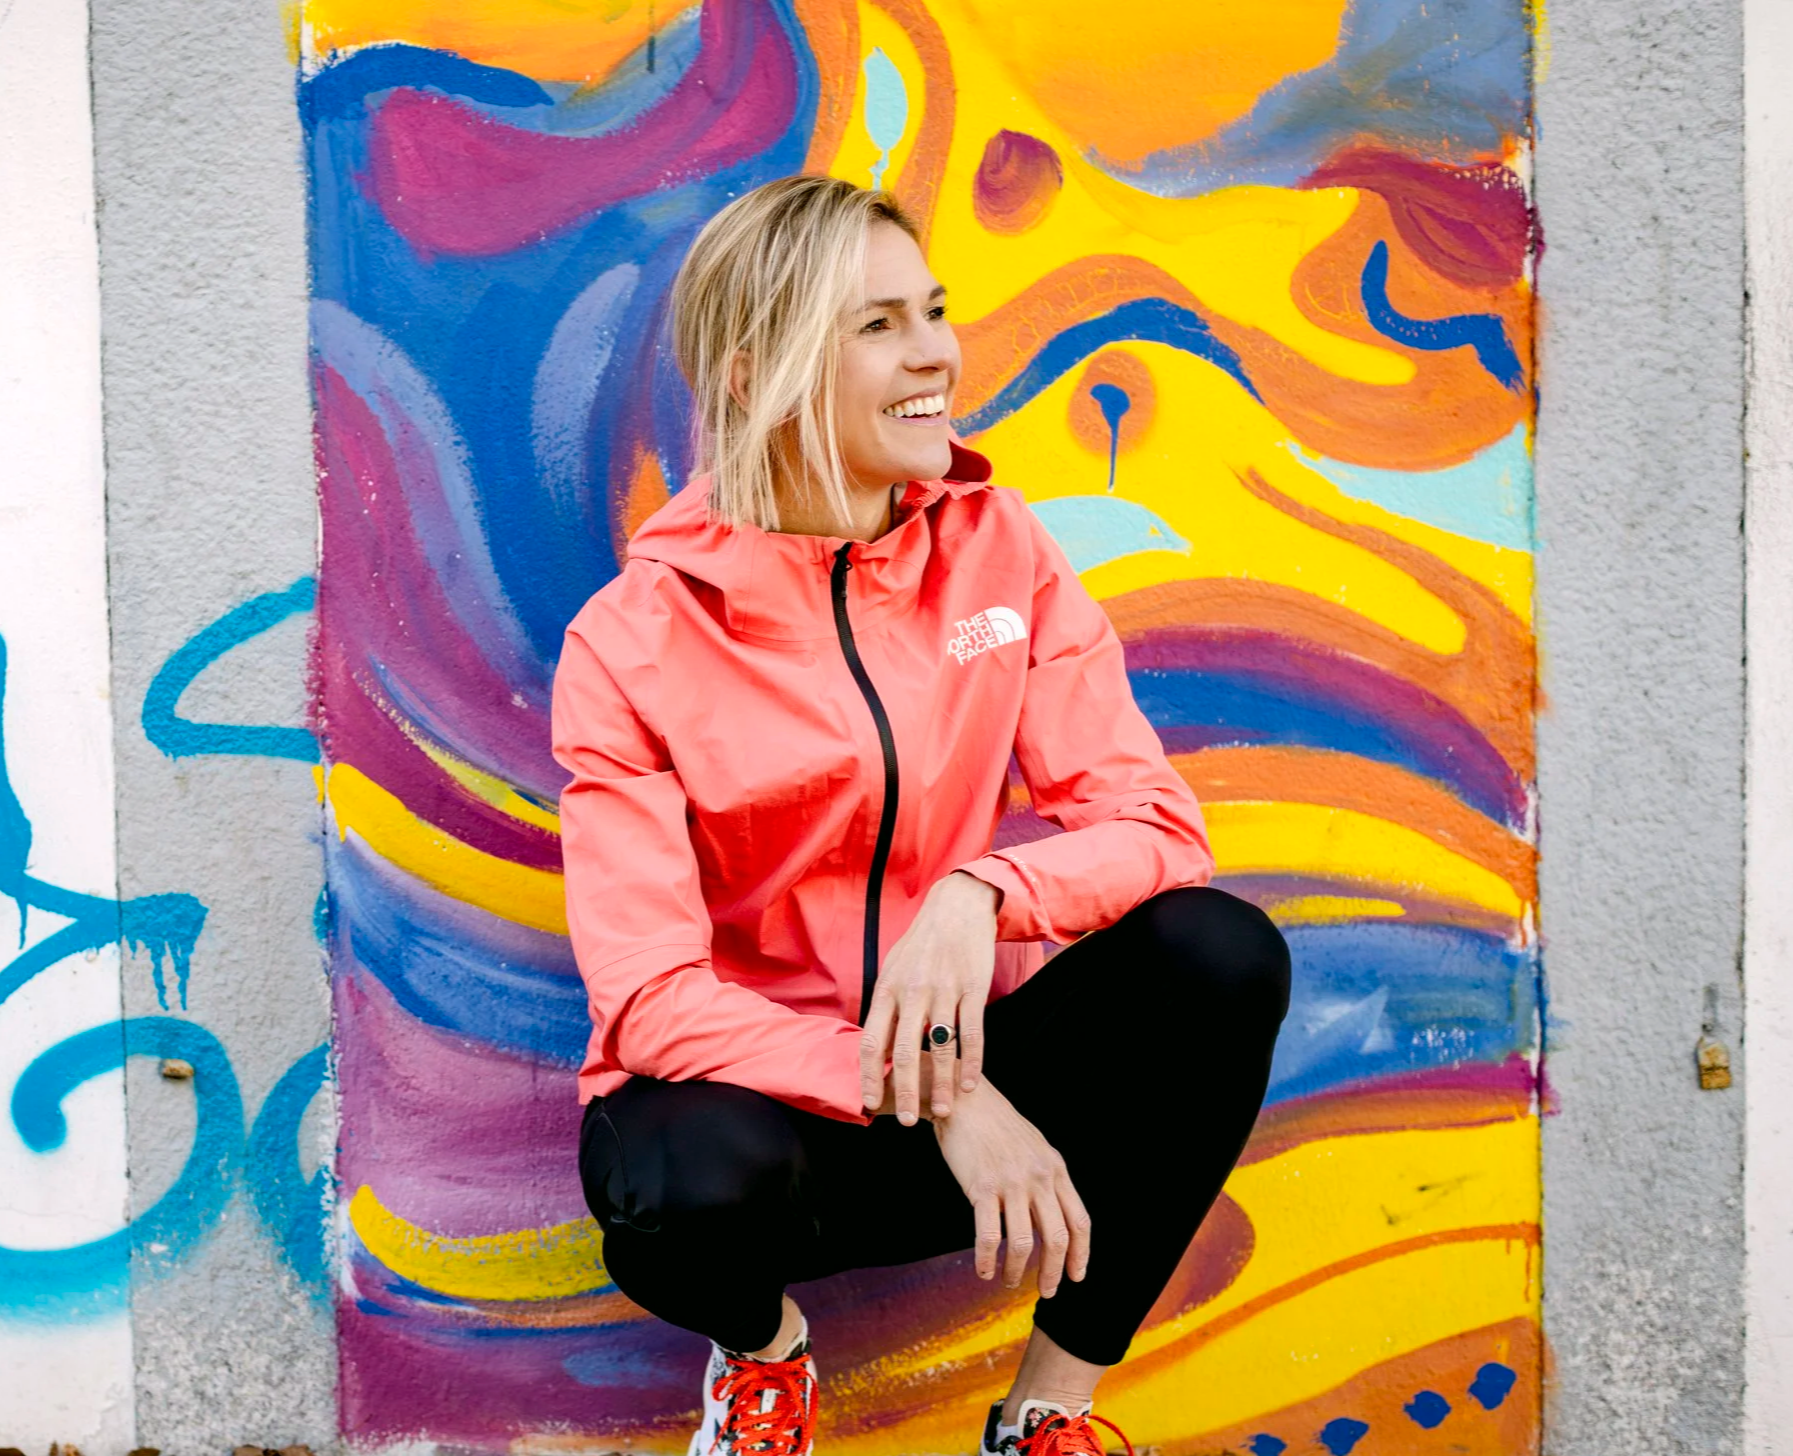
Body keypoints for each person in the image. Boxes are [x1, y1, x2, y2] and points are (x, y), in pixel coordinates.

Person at [551, 175, 1290, 1456]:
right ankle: (766, 1364)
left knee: (1217, 956)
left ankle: (1046, 1415)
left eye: (933, 311)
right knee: (676, 1183)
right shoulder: (633, 641)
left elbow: (1156, 823)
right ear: (759, 375)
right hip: (789, 1126)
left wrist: (982, 893)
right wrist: (940, 1094)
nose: (936, 354)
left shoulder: (999, 553)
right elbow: (650, 999)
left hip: (985, 1080)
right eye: (879, 325)